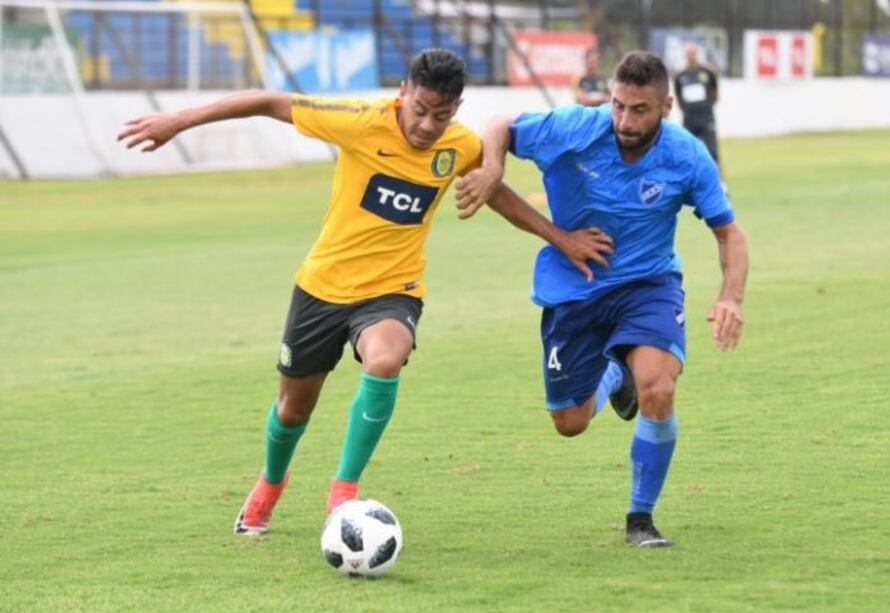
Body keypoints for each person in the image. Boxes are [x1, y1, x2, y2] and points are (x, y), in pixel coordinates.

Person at [117, 48, 612, 537]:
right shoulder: (358, 121)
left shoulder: (457, 145)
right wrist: (178, 121)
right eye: (419, 111)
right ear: (402, 94)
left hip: (393, 291)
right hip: (322, 288)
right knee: (293, 409)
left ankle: (344, 491)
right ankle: (271, 482)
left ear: (455, 111)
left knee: (385, 358)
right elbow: (269, 101)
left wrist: (560, 237)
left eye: (440, 116)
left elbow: (495, 190)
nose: (425, 126)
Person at [455, 51, 748, 548]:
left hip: (648, 284)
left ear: (666, 106)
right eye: (617, 106)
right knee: (569, 421)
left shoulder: (685, 154)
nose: (624, 120)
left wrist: (731, 298)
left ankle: (641, 519)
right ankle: (616, 373)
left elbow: (728, 233)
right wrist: (495, 169)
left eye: (639, 110)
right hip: (574, 285)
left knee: (658, 387)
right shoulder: (575, 127)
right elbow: (499, 123)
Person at [673, 42, 723, 174]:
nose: (691, 56)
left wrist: (706, 106)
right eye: (688, 54)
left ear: (697, 54)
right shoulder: (680, 76)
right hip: (689, 118)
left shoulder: (707, 72)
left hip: (706, 117)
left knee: (713, 152)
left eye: (693, 53)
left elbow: (716, 92)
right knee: (688, 152)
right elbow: (678, 96)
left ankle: (721, 186)